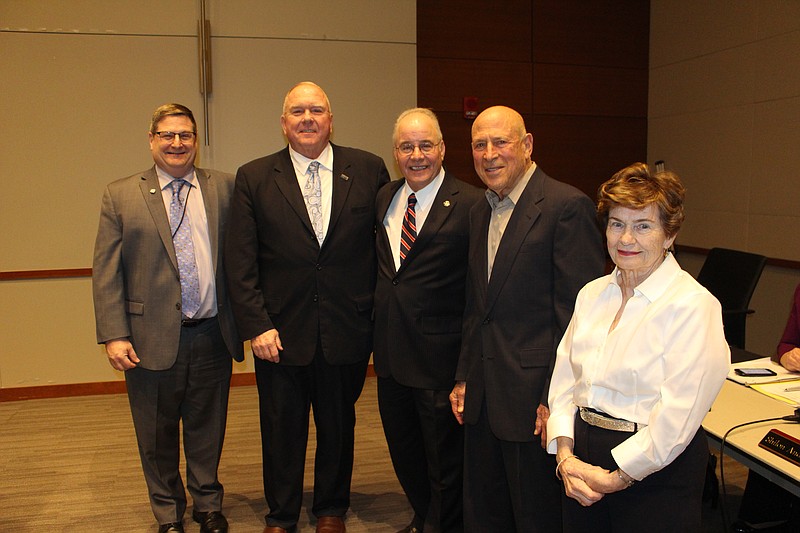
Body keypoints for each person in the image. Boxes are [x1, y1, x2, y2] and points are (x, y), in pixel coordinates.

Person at [224, 81, 390, 533]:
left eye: (317, 110)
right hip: (278, 332)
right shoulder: (254, 177)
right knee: (281, 429)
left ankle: (331, 508)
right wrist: (256, 324)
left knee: (339, 425)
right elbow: (241, 262)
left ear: (331, 120)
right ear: (283, 124)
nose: (307, 118)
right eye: (297, 111)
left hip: (346, 327)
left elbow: (383, 251)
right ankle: (281, 513)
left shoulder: (369, 169)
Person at [546, 162, 730, 532]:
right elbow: (564, 380)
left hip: (656, 472)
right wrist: (564, 457)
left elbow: (678, 417)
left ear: (669, 235)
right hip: (581, 460)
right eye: (617, 224)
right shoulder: (591, 293)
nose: (626, 239)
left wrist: (616, 479)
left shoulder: (693, 306)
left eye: (643, 226)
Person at [449, 105, 605, 532]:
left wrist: (553, 400)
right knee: (486, 511)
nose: (489, 153)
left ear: (527, 145)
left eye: (500, 142)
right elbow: (476, 307)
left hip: (533, 399)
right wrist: (464, 376)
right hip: (483, 395)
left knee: (533, 516)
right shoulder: (480, 210)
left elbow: (578, 320)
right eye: (479, 144)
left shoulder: (566, 206)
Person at [92, 103, 243, 533]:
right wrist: (114, 334)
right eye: (168, 135)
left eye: (186, 135)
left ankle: (208, 505)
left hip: (213, 332)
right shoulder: (120, 194)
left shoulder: (226, 188)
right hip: (146, 338)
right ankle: (167, 513)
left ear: (197, 140)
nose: (178, 143)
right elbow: (106, 270)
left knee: (208, 427)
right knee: (156, 435)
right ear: (152, 139)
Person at [374, 108, 483, 533]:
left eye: (425, 145)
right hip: (390, 357)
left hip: (441, 360)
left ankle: (442, 525)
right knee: (405, 454)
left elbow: (478, 293)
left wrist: (466, 369)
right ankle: (425, 518)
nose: (416, 155)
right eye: (406, 146)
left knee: (445, 464)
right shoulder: (386, 197)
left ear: (441, 148)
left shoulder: (473, 203)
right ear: (396, 152)